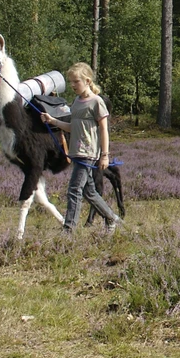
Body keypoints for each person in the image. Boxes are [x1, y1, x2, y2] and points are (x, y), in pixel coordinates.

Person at [39, 63, 121, 234]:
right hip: (76, 152)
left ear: (87, 81)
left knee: (74, 190)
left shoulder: (97, 102)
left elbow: (104, 129)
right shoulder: (76, 102)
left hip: (88, 153)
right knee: (89, 191)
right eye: (70, 82)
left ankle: (68, 231)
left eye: (76, 81)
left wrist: (105, 155)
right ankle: (111, 218)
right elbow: (72, 127)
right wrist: (52, 120)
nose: (72, 85)